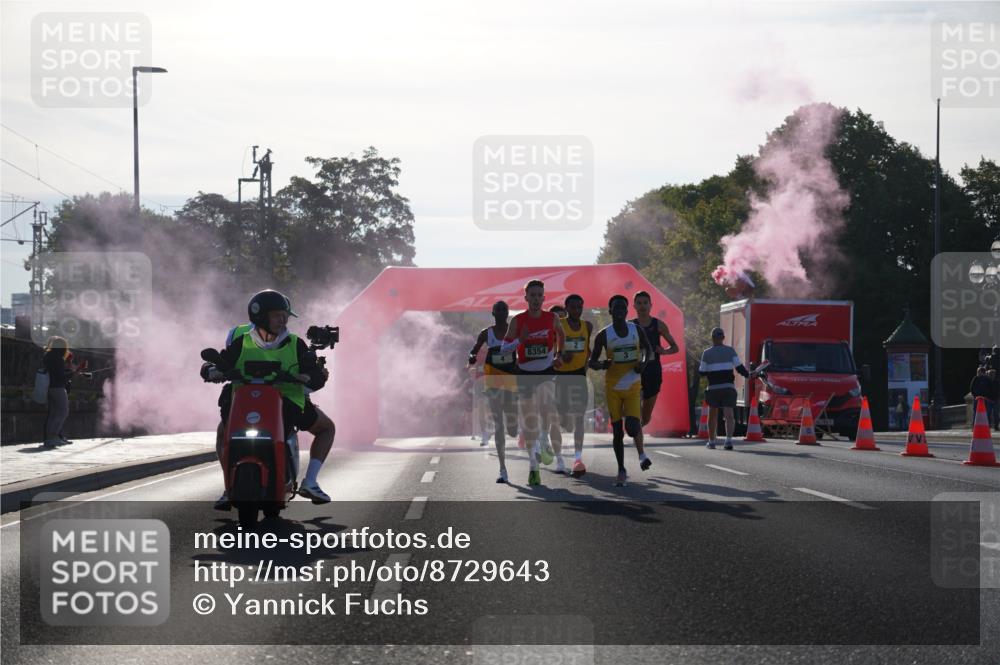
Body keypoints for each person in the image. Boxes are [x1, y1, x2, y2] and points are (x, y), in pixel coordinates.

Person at [204, 290, 335, 508]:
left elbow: (314, 373)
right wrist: (211, 370)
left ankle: (310, 482)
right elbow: (221, 363)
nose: (283, 319)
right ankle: (229, 488)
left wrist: (309, 376)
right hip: (244, 406)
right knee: (222, 432)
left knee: (327, 427)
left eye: (284, 315)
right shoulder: (241, 343)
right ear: (260, 316)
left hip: (288, 406)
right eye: (276, 314)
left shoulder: (296, 343)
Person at [498, 280, 565, 486]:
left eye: (539, 295)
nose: (536, 299)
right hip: (525, 374)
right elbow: (503, 349)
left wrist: (559, 354)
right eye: (532, 295)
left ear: (544, 298)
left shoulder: (552, 318)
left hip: (546, 372)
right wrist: (520, 340)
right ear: (526, 298)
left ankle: (544, 439)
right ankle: (533, 468)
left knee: (546, 405)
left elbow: (561, 335)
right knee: (528, 422)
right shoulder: (517, 321)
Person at [588, 295, 655, 486]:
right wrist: (602, 364)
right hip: (613, 389)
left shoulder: (637, 330)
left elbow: (649, 352)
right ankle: (621, 469)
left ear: (627, 311)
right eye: (616, 308)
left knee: (632, 428)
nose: (619, 311)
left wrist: (642, 364)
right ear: (610, 311)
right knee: (618, 432)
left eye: (623, 308)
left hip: (633, 386)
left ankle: (640, 454)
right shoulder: (603, 335)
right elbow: (591, 362)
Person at [468, 301, 520, 483]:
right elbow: (474, 350)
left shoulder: (514, 330)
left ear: (507, 312)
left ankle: (513, 426)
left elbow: (522, 349)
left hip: (510, 379)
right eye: (498, 310)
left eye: (504, 310)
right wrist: (472, 357)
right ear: (492, 313)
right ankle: (503, 469)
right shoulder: (486, 333)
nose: (501, 312)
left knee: (512, 428)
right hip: (493, 381)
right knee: (499, 424)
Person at [554, 294, 593, 477]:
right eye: (573, 307)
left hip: (578, 376)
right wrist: (561, 356)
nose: (577, 310)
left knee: (579, 419)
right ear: (566, 308)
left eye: (580, 307)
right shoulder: (558, 324)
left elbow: (588, 351)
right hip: (561, 376)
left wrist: (587, 365)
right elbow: (551, 349)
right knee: (563, 419)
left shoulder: (588, 326)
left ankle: (578, 458)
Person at [698, 327, 753, 450]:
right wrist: (748, 375)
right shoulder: (730, 351)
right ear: (723, 337)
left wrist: (706, 368)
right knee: (729, 414)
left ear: (712, 338)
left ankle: (711, 442)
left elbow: (702, 372)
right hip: (728, 388)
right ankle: (728, 441)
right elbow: (739, 368)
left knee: (712, 415)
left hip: (713, 388)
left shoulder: (706, 353)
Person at [631, 291, 680, 427]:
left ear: (651, 305)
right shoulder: (629, 325)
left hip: (652, 371)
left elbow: (675, 347)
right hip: (634, 370)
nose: (642, 306)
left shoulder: (658, 325)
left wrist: (664, 351)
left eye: (645, 303)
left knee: (646, 417)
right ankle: (635, 431)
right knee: (631, 409)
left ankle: (639, 426)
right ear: (634, 306)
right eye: (639, 303)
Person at [41, 337, 89, 448]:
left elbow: (56, 373)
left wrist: (73, 371)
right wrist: (75, 372)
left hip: (50, 387)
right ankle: (53, 438)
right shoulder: (58, 358)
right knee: (62, 411)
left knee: (53, 413)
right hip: (58, 387)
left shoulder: (48, 356)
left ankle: (50, 438)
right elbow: (61, 376)